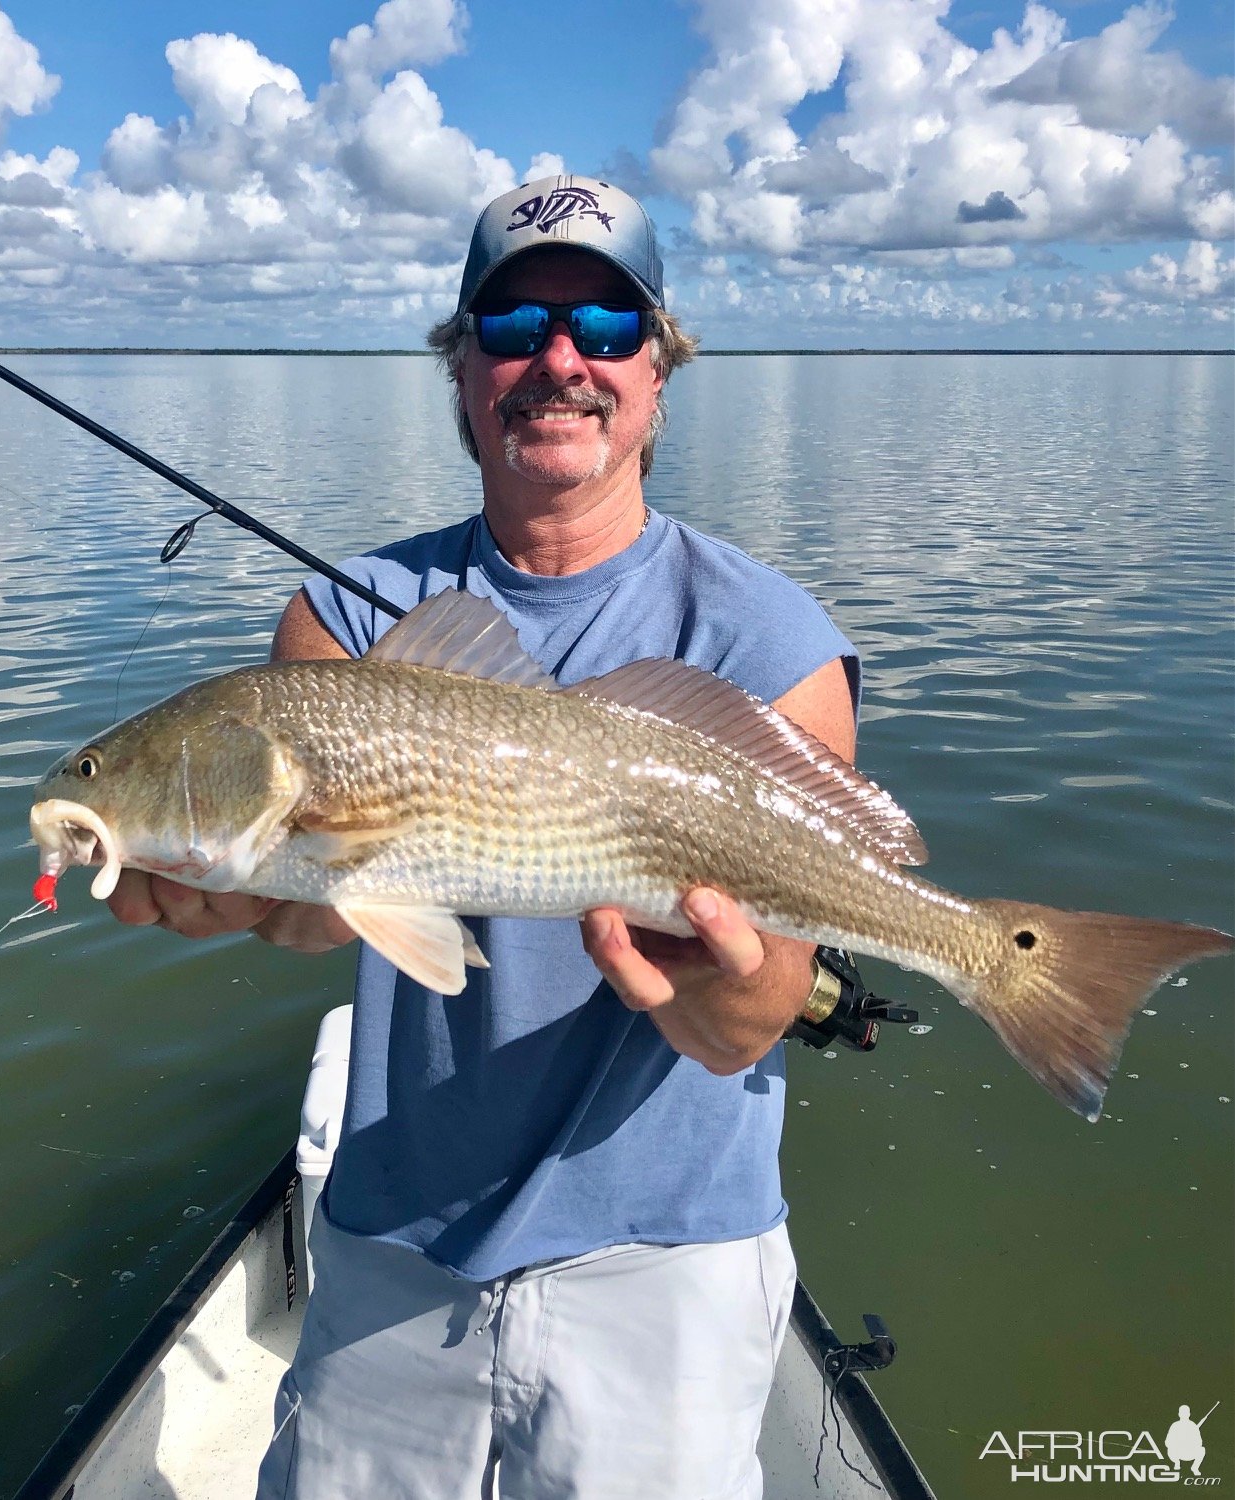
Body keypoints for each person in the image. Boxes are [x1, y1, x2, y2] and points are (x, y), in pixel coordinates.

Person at [109, 174, 860, 1499]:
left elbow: (763, 1012)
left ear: (659, 370)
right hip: (395, 1237)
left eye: (605, 329)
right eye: (511, 326)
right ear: (460, 369)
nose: (556, 362)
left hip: (664, 1257)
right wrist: (239, 886)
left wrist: (725, 993)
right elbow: (314, 910)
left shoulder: (770, 640)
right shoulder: (347, 618)